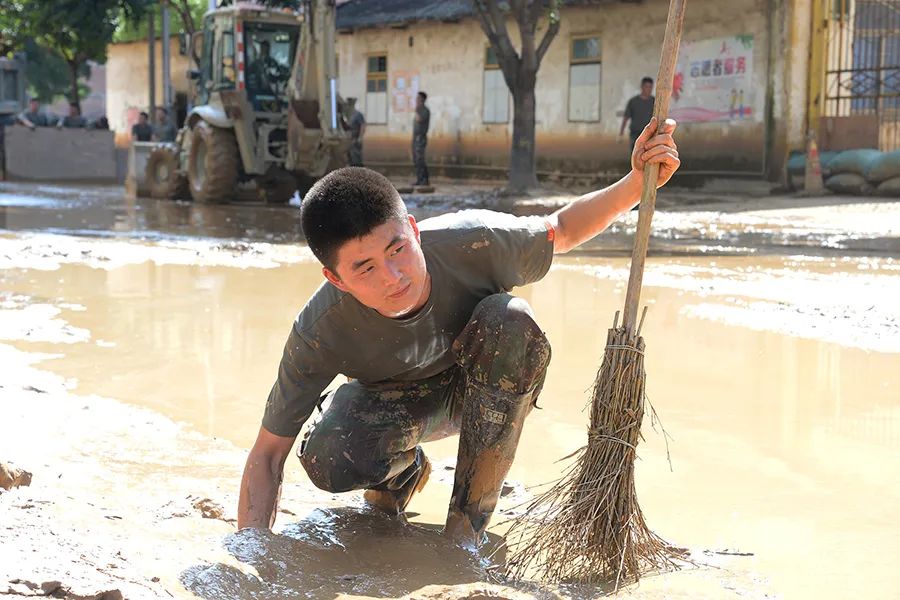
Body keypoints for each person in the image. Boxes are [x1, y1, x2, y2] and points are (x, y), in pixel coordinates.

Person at [237, 117, 681, 548]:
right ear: (336, 279)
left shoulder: (476, 241)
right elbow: (268, 454)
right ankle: (402, 475)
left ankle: (466, 531)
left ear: (412, 229)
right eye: (365, 268)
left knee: (510, 318)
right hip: (392, 408)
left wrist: (635, 181)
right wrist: (252, 553)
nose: (393, 277)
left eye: (397, 249)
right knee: (326, 455)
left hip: (478, 389)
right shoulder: (319, 330)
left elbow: (561, 230)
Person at [619, 77, 655, 152]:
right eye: (646, 86)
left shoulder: (654, 102)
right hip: (635, 134)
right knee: (636, 155)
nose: (648, 89)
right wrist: (621, 133)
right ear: (642, 87)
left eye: (650, 87)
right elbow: (626, 117)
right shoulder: (633, 102)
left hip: (650, 134)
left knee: (648, 155)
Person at [412, 91, 430, 186]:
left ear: (422, 99)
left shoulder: (424, 110)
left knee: (420, 159)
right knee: (416, 159)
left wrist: (416, 110)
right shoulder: (419, 109)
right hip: (415, 138)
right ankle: (419, 179)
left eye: (418, 98)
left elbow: (419, 119)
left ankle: (425, 180)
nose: (416, 100)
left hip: (421, 138)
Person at [346, 97, 366, 167]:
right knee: (350, 157)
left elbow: (362, 126)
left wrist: (360, 137)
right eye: (348, 104)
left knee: (357, 156)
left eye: (350, 104)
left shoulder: (358, 114)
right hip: (350, 138)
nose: (349, 106)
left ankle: (360, 172)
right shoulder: (348, 115)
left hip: (356, 138)